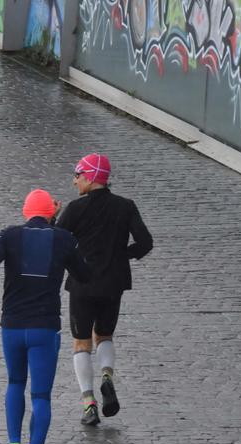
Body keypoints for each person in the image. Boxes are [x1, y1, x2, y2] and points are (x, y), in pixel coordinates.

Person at [0, 189, 91, 444]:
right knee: (41, 396)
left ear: (26, 212)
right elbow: (83, 274)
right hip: (44, 328)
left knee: (15, 383)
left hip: (12, 326)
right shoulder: (63, 238)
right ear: (51, 213)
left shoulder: (9, 236)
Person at [55, 153, 153, 425]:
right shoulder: (126, 206)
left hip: (82, 284)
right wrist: (123, 255)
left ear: (89, 177)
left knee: (81, 342)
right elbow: (145, 242)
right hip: (114, 283)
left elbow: (58, 242)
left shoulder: (75, 209)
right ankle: (107, 376)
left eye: (78, 176)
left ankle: (89, 403)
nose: (75, 181)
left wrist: (52, 220)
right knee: (105, 335)